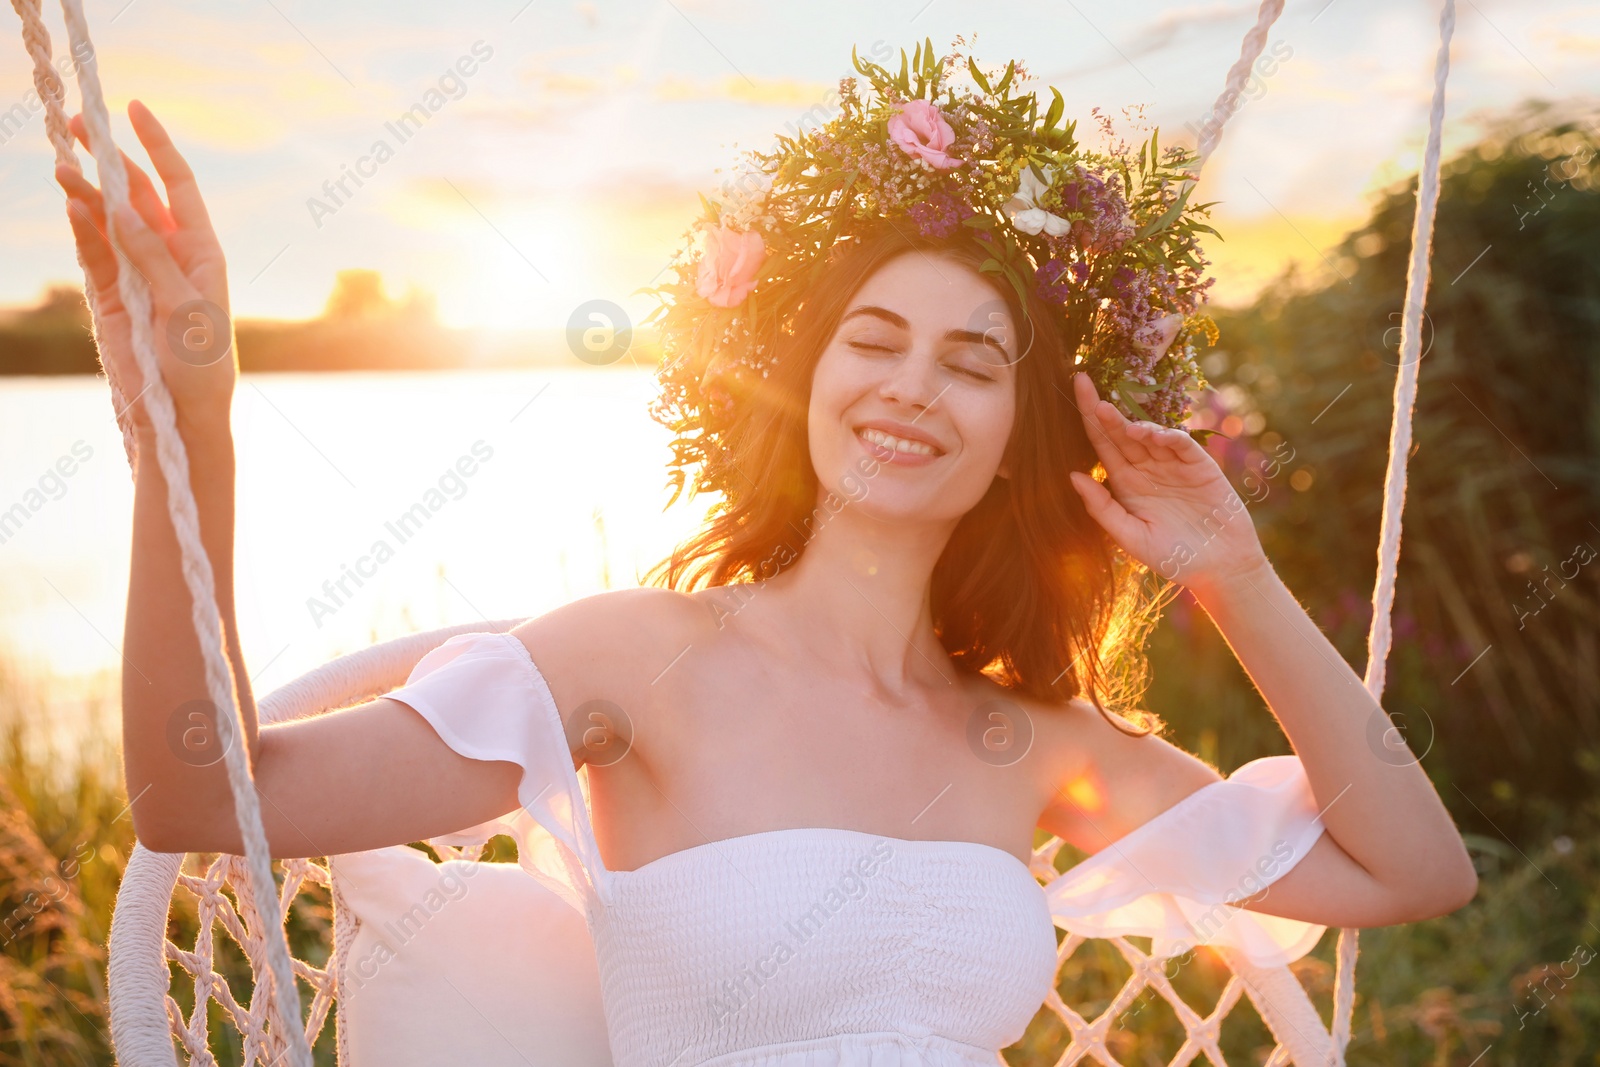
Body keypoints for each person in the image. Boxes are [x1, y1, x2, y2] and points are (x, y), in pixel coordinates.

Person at [59, 68, 1475, 1063]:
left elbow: (1415, 874)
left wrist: (1233, 573)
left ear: (1015, 446)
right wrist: (193, 438)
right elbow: (200, 794)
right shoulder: (634, 662)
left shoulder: (1036, 740)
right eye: (873, 341)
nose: (912, 387)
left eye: (972, 365)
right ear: (805, 384)